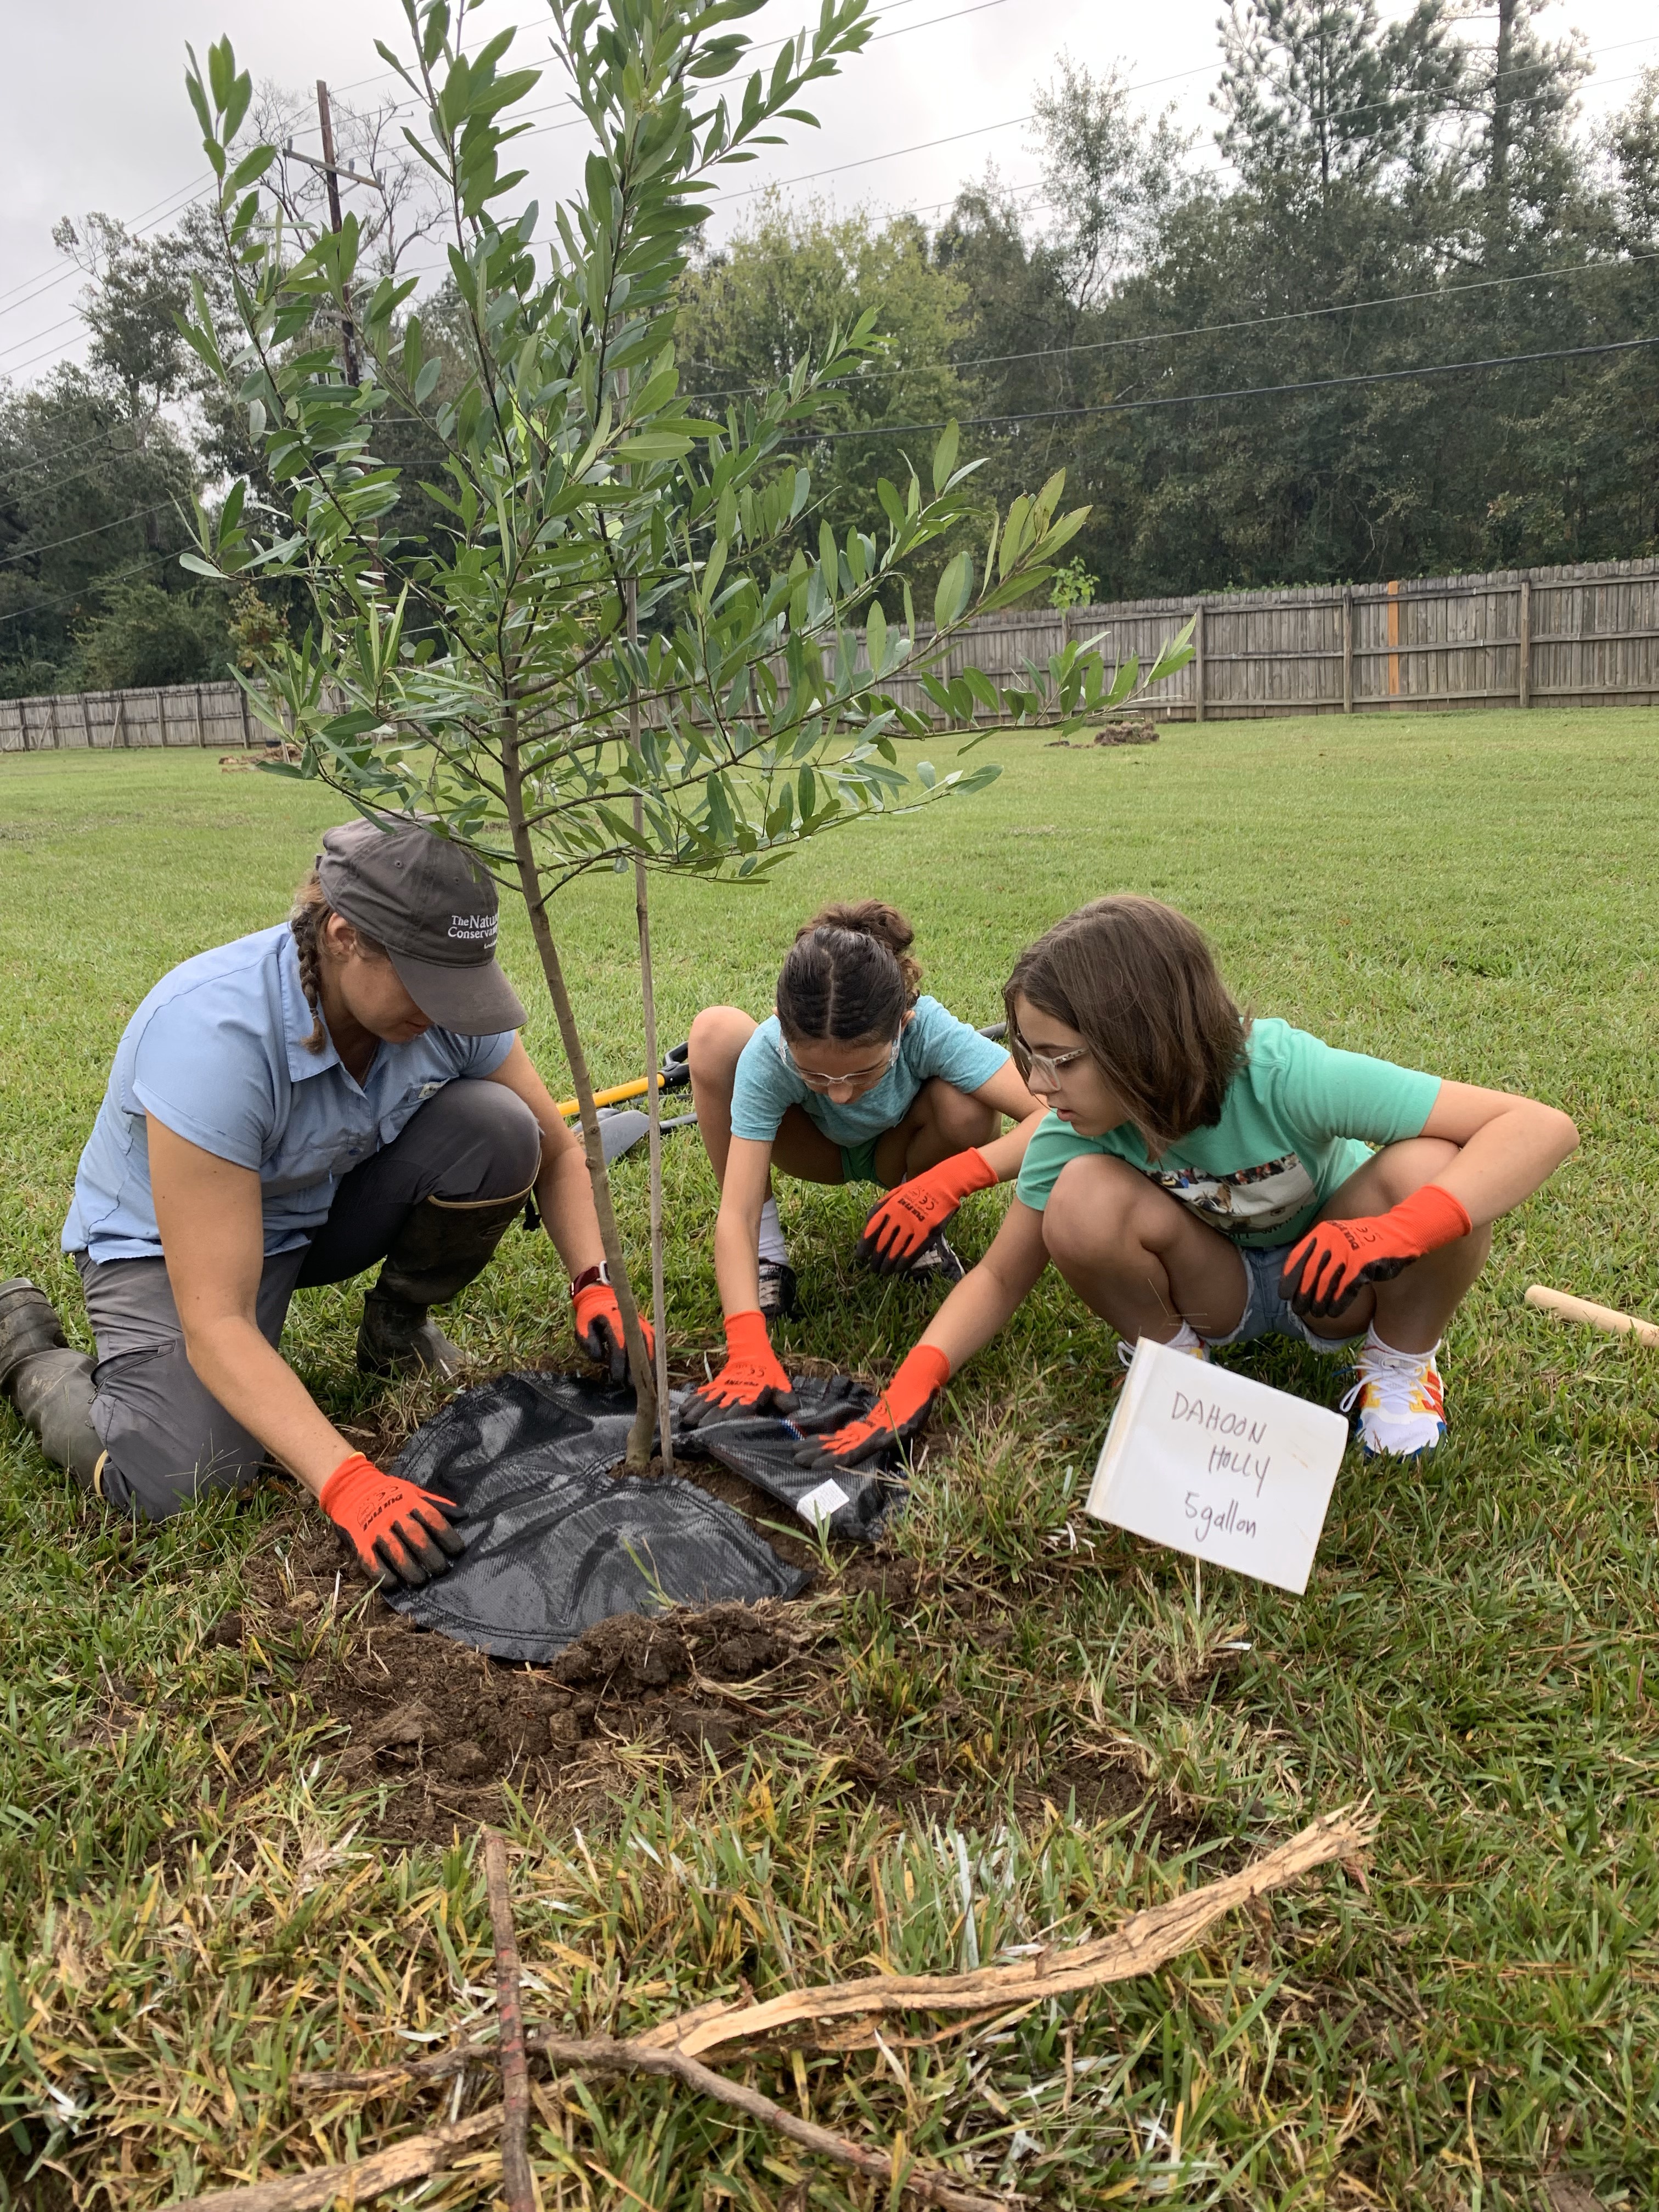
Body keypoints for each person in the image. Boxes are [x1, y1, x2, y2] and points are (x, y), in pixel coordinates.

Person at [0, 820, 650, 1585]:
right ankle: (30, 1358)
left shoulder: (440, 1009)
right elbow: (217, 1322)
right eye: (429, 985)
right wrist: (347, 1482)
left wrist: (594, 1279)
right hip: (167, 1252)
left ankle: (397, 1334)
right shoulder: (215, 1038)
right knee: (183, 1475)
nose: (449, 1012)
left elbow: (557, 1148)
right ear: (344, 936)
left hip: (315, 1208)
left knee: (501, 1129)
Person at [792, 895, 1578, 1468]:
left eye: (1060, 1059)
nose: (1035, 1084)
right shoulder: (1073, 1129)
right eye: (1029, 1056)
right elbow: (999, 1276)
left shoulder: (1282, 1073)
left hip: (1340, 1276)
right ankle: (1176, 1368)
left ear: (1144, 1042)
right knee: (1080, 1203)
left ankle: (1400, 1370)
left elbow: (1539, 1127)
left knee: (1432, 1167)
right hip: (1219, 1289)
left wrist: (1396, 1231)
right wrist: (912, 1383)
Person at [680, 900, 1041, 1424]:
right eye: (819, 1077)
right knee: (715, 1031)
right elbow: (734, 1215)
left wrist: (948, 1182)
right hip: (812, 1149)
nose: (842, 1096)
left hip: (905, 1152)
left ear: (902, 1022)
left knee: (967, 1106)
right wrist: (745, 1341)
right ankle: (769, 1259)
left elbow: (1052, 1117)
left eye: (864, 1072)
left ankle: (919, 1230)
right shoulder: (770, 1052)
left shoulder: (927, 1028)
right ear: (783, 1028)